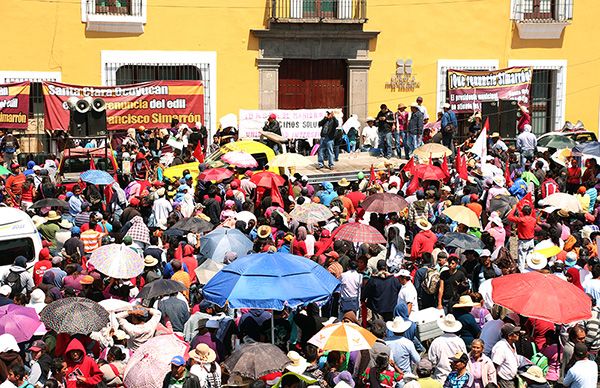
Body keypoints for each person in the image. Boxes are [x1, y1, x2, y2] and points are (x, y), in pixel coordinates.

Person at [429, 314, 467, 382]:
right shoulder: (459, 341)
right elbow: (465, 358)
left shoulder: (436, 342)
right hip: (457, 378)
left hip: (441, 377)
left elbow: (432, 361)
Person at [491, 324, 521, 388]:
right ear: (509, 336)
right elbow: (494, 366)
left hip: (512, 379)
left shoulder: (512, 344)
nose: (518, 334)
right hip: (503, 381)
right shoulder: (501, 347)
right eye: (516, 333)